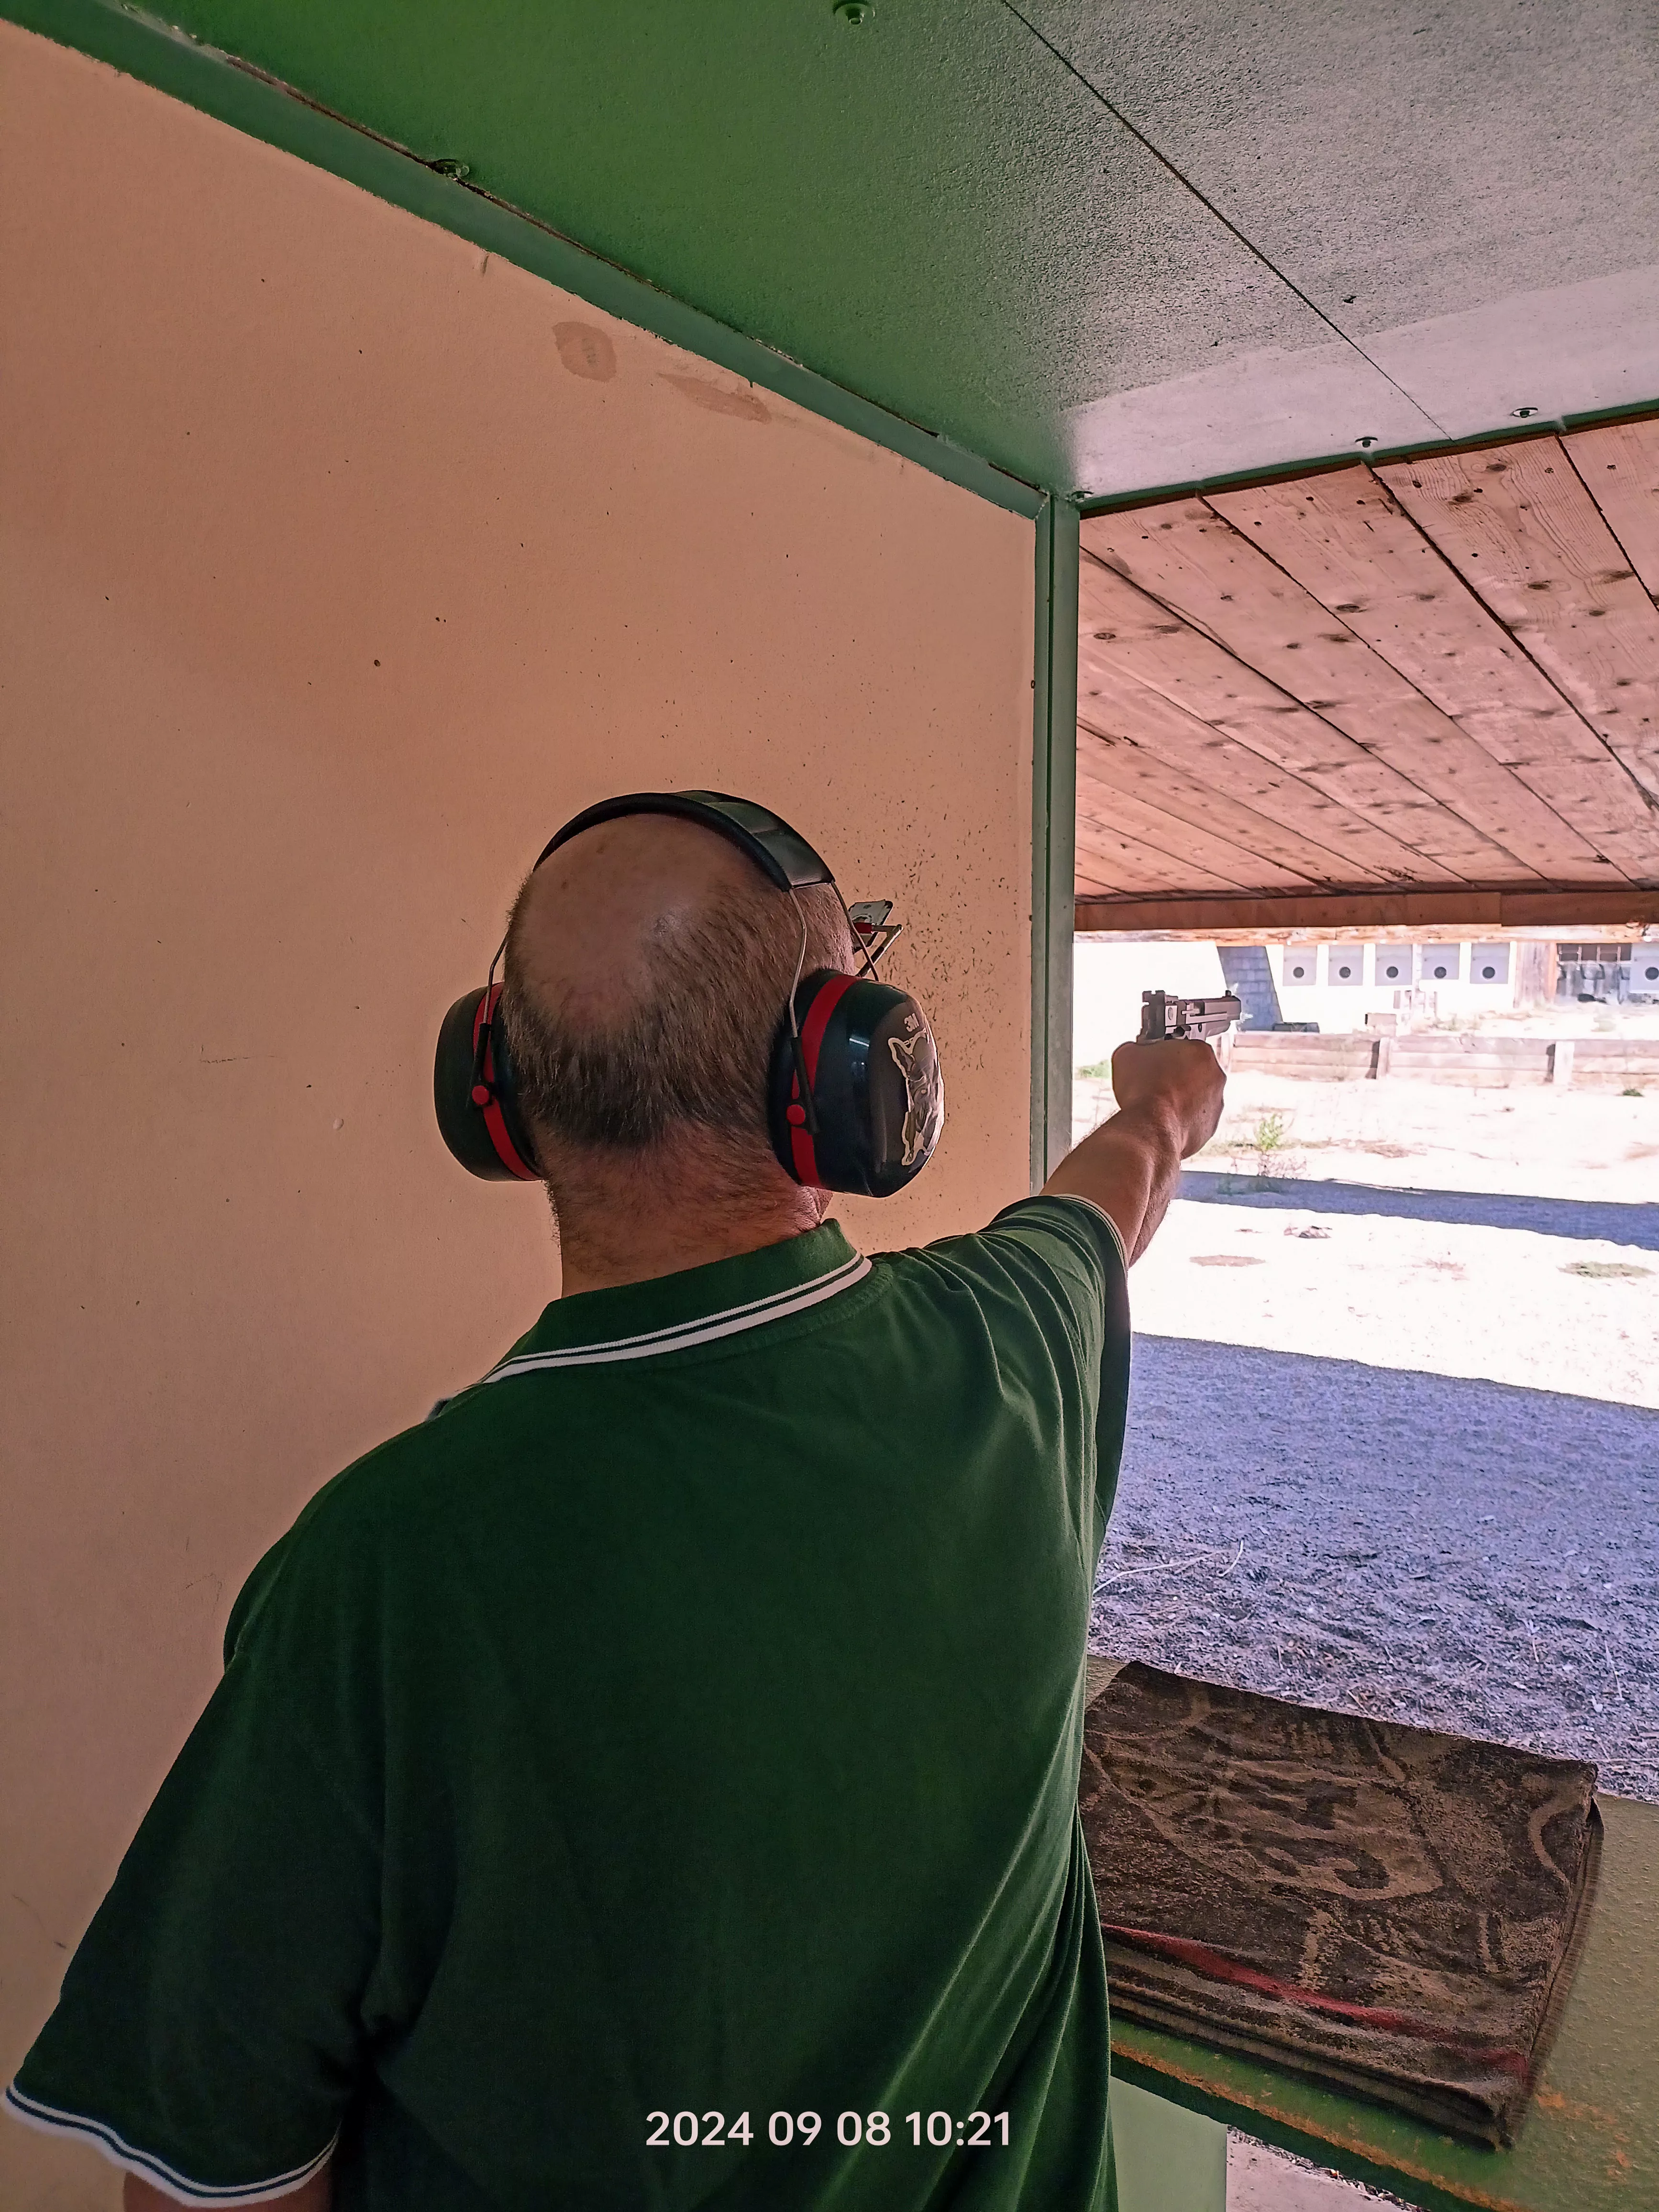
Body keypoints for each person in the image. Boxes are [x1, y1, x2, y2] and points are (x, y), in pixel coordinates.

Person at [7, 805, 1223, 2212]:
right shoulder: (1012, 1346)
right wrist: (1165, 1099)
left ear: (499, 1094)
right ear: (846, 1076)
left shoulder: (382, 1565)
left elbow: (212, 2178)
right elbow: (1110, 1199)